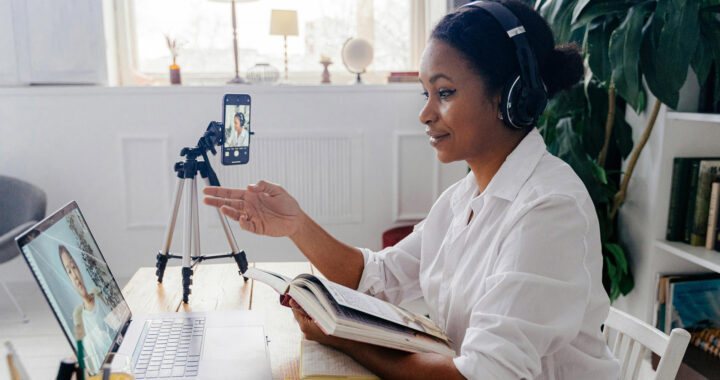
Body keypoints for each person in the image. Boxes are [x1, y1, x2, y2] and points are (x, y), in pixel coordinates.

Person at [203, 1, 621, 378]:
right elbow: (375, 279)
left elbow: (481, 377)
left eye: (445, 93)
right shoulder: (465, 198)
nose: (425, 113)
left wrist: (345, 339)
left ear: (511, 97)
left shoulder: (549, 209)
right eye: (426, 93)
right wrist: (297, 225)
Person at [59, 244, 114, 373]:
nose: (75, 276)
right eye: (69, 271)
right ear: (68, 278)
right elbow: (84, 358)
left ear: (79, 268)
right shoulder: (78, 315)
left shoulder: (97, 293)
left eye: (74, 267)